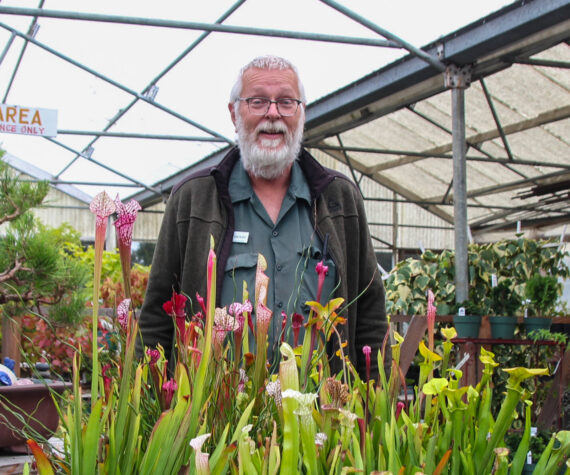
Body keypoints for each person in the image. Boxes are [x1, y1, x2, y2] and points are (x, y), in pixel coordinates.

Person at [137, 55, 390, 379]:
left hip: (324, 419)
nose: (273, 114)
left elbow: (370, 315)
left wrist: (375, 410)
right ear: (234, 112)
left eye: (286, 102)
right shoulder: (193, 199)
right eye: (258, 101)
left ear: (301, 113)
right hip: (215, 420)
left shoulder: (339, 199)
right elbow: (157, 317)